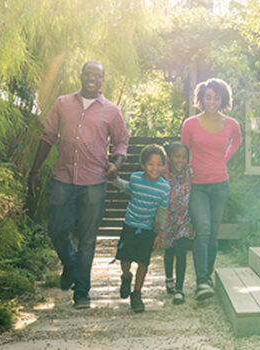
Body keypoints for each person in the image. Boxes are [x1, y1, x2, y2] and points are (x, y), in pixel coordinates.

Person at [28, 61, 129, 309]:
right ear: (81, 75)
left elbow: (121, 142)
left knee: (87, 238)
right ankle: (71, 264)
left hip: (95, 181)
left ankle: (82, 291)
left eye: (98, 74)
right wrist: (35, 169)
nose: (92, 77)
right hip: (63, 177)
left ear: (103, 80)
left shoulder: (111, 111)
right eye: (89, 73)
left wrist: (116, 164)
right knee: (56, 229)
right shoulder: (62, 103)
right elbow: (48, 136)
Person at [181, 78, 242, 301]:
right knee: (203, 230)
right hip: (197, 185)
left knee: (213, 234)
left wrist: (224, 158)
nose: (212, 101)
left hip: (220, 185)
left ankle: (207, 276)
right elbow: (183, 152)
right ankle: (202, 281)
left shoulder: (232, 124)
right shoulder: (190, 124)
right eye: (208, 97)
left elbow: (237, 141)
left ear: (223, 99)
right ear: (201, 99)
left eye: (216, 97)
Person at [110, 144, 171, 313]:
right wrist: (113, 177)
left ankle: (136, 294)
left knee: (144, 262)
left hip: (147, 230)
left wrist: (159, 234)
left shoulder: (164, 188)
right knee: (125, 259)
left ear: (163, 166)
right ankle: (126, 276)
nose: (155, 168)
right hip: (130, 225)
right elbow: (125, 187)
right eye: (151, 163)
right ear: (143, 164)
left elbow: (162, 212)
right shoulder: (136, 178)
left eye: (159, 164)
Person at [156, 141, 193, 305]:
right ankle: (169, 278)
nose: (181, 160)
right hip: (167, 220)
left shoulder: (190, 172)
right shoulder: (164, 173)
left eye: (184, 157)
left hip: (184, 220)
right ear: (170, 158)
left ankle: (179, 289)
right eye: (177, 156)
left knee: (181, 252)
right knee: (169, 252)